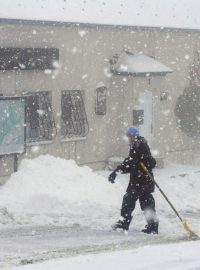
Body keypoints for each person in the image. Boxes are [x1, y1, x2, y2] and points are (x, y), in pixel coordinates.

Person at [108, 126, 159, 234]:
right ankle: (151, 225)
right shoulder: (136, 145)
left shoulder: (139, 145)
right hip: (139, 180)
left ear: (133, 136)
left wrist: (116, 172)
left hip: (143, 180)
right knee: (140, 202)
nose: (128, 138)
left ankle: (127, 223)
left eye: (129, 136)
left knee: (134, 201)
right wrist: (117, 172)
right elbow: (131, 163)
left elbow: (132, 162)